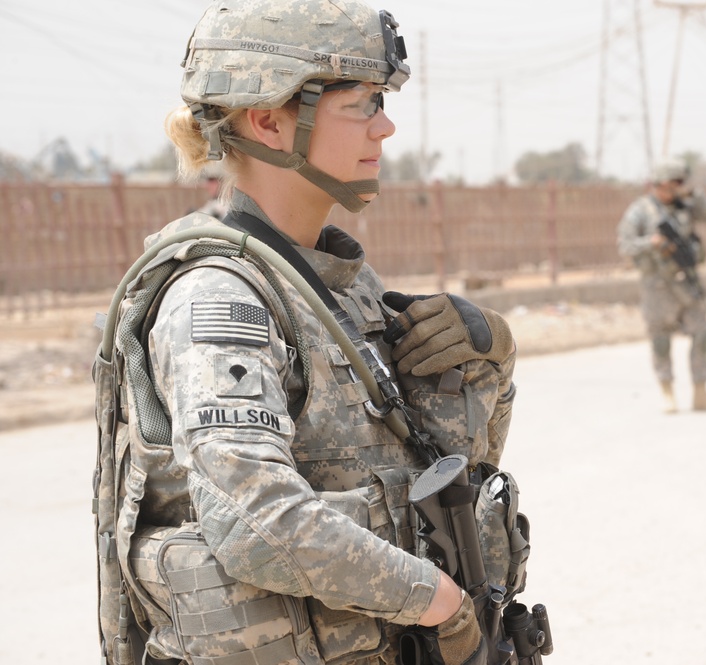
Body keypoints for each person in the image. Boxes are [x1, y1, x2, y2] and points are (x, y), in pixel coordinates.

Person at [100, 2, 518, 664]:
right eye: (361, 105)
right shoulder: (219, 298)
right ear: (268, 121)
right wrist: (437, 602)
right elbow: (255, 521)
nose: (386, 126)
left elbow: (445, 476)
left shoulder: (342, 286)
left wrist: (490, 364)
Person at [617, 157, 706, 413]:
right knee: (660, 339)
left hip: (686, 283)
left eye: (680, 184)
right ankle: (668, 393)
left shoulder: (686, 206)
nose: (675, 189)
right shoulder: (640, 211)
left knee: (701, 333)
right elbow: (625, 246)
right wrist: (651, 243)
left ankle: (701, 393)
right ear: (658, 184)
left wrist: (694, 194)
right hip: (657, 286)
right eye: (671, 184)